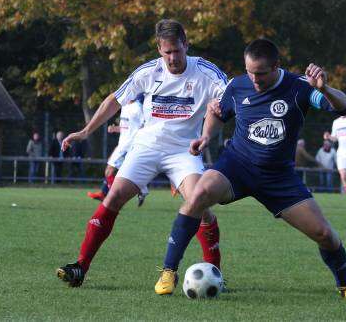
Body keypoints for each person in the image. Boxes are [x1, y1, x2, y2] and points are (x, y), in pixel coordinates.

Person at [154, 38, 346, 300]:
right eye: (250, 72)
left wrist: (324, 88)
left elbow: (344, 107)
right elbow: (218, 112)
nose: (254, 79)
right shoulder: (237, 85)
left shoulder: (300, 87)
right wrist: (206, 136)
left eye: (261, 73)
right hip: (237, 166)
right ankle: (169, 271)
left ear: (276, 66)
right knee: (197, 195)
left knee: (324, 234)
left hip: (278, 177)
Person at [56, 19, 226, 288]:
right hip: (147, 146)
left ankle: (215, 272)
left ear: (186, 44)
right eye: (167, 52)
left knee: (199, 204)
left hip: (184, 150)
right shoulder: (148, 71)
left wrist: (212, 124)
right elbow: (114, 100)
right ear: (159, 49)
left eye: (177, 51)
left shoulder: (206, 72)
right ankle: (80, 267)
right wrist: (86, 131)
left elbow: (227, 99)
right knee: (113, 197)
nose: (172, 58)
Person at [87, 96, 146, 206]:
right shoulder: (124, 106)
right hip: (122, 144)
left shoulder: (138, 107)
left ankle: (110, 195)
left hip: (129, 145)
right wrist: (115, 129)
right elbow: (127, 127)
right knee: (118, 170)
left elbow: (145, 126)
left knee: (109, 170)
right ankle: (140, 190)